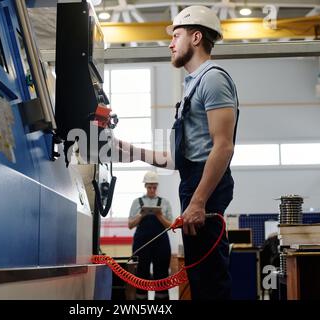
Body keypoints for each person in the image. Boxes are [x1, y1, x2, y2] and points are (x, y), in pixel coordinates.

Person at [115, 5, 239, 300]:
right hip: (193, 181)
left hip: (203, 188)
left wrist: (198, 201)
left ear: (196, 37)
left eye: (177, 35)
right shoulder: (193, 85)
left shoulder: (213, 79)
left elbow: (223, 146)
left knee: (210, 278)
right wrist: (134, 152)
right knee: (199, 277)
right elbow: (182, 157)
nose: (170, 43)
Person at [128, 171, 173, 300]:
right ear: (145, 186)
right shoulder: (137, 202)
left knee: (162, 273)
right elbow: (130, 225)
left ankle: (162, 300)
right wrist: (142, 214)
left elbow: (170, 226)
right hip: (142, 243)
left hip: (161, 243)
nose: (152, 190)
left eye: (154, 187)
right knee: (141, 273)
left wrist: (159, 215)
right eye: (149, 187)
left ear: (157, 186)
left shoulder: (165, 203)